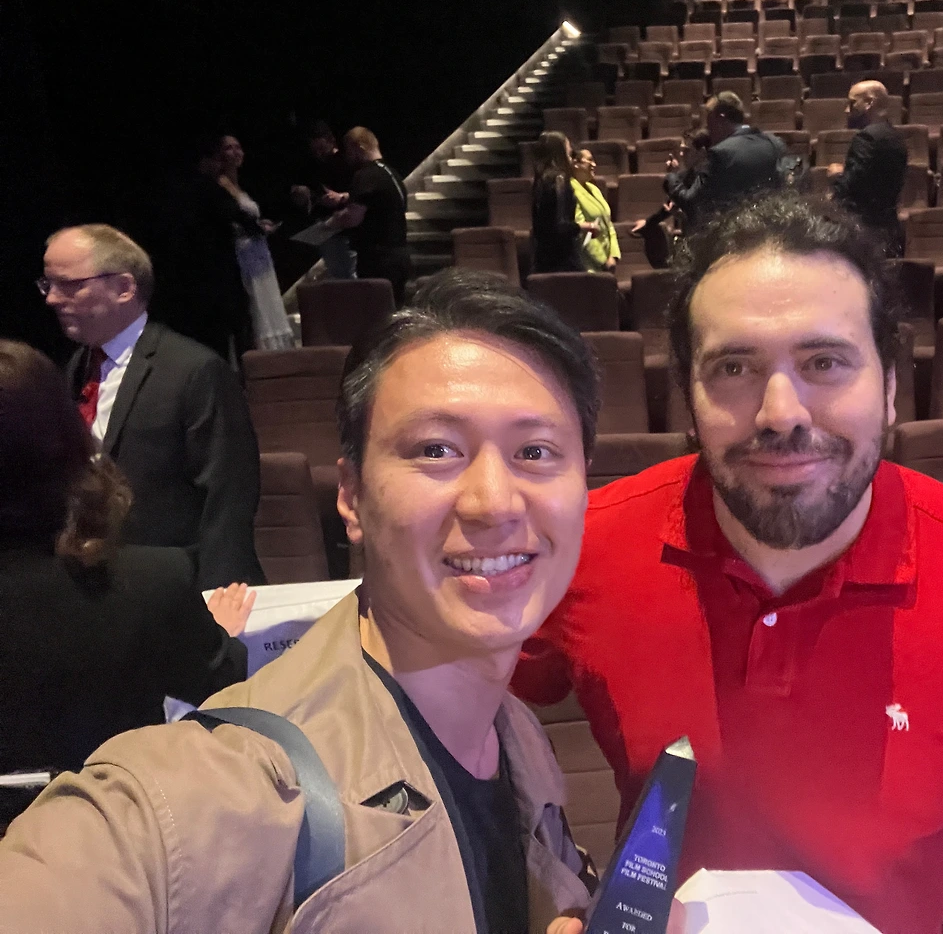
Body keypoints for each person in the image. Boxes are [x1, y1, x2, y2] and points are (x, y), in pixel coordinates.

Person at [515, 194, 943, 934]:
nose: (781, 412)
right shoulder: (583, 546)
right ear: (688, 397)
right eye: (735, 367)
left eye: (825, 362)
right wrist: (543, 894)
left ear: (891, 389)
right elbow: (449, 719)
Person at [0, 272, 604, 933]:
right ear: (352, 496)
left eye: (536, 451)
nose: (493, 503)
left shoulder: (520, 738)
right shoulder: (218, 788)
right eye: (436, 450)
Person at [0, 338, 251, 829]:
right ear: (69, 441)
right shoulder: (153, 586)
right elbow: (226, 691)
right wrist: (221, 634)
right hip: (117, 847)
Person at [44, 224, 266, 590]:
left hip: (179, 584)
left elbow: (228, 497)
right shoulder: (75, 368)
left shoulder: (194, 370)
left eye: (69, 285)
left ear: (124, 288)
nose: (52, 299)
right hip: (103, 583)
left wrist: (217, 598)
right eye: (48, 285)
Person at [149, 134, 266, 359]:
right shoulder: (208, 188)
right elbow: (236, 214)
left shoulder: (172, 189)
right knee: (227, 331)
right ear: (206, 161)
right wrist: (256, 227)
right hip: (215, 273)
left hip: (185, 275)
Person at [213, 134, 294, 350]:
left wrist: (260, 224)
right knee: (255, 305)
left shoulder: (238, 185)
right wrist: (255, 228)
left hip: (258, 250)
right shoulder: (220, 185)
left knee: (268, 301)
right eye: (229, 148)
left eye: (238, 147)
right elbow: (228, 221)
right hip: (244, 253)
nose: (236, 152)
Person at [663, 92, 785, 231]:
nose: (708, 131)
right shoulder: (774, 143)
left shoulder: (720, 154)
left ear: (720, 119)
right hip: (772, 229)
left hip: (738, 233)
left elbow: (692, 202)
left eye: (709, 124)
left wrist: (672, 176)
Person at [324, 126, 411, 303]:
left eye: (348, 150)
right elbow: (377, 198)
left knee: (377, 312)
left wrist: (329, 224)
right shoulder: (390, 172)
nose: (347, 156)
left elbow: (352, 218)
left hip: (378, 260)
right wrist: (344, 197)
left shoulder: (365, 175)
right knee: (396, 309)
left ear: (359, 147)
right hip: (399, 254)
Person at [830, 80, 909, 256]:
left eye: (852, 103)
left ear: (869, 103)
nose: (847, 110)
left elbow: (852, 186)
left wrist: (837, 176)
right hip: (889, 226)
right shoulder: (895, 136)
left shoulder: (866, 138)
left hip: (865, 229)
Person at [289, 120, 357, 279]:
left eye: (321, 149)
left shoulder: (347, 161)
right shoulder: (315, 166)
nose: (319, 154)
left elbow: (361, 193)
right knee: (338, 274)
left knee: (350, 276)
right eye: (315, 151)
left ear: (331, 140)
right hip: (326, 230)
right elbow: (314, 193)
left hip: (347, 229)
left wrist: (341, 197)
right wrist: (304, 194)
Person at [530, 131, 596, 274]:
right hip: (562, 258)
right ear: (559, 151)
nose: (570, 150)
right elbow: (560, 226)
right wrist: (587, 226)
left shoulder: (541, 179)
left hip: (543, 257)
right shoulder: (559, 179)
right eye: (567, 147)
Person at [569, 149, 619, 273]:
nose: (594, 164)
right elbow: (581, 232)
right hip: (587, 264)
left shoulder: (594, 189)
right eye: (589, 160)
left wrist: (613, 255)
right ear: (576, 164)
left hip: (608, 262)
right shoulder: (570, 190)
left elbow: (608, 223)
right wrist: (603, 260)